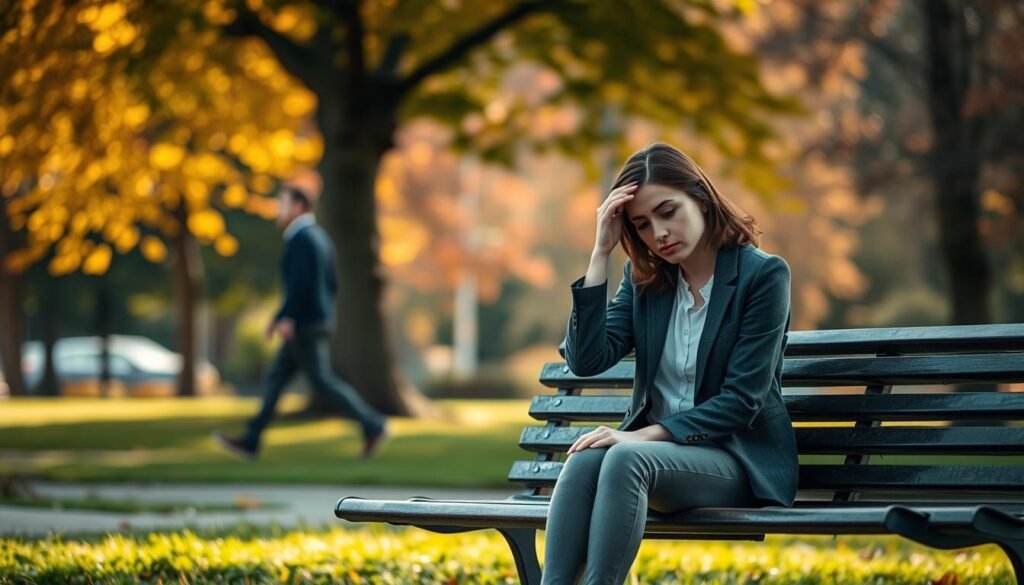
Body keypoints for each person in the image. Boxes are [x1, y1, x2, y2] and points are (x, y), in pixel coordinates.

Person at [541, 143, 798, 584]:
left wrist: (640, 436)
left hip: (736, 458)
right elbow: (586, 360)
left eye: (668, 211)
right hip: (660, 460)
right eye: (641, 225)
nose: (659, 232)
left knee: (624, 457)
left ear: (700, 197)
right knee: (585, 459)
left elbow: (742, 401)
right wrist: (601, 253)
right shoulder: (646, 282)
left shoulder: (763, 276)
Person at [214, 185, 389, 460]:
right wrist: (283, 316)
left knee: (321, 380)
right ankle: (251, 439)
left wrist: (289, 317)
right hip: (313, 321)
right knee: (277, 380)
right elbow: (329, 284)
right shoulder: (320, 238)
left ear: (298, 206)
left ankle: (373, 424)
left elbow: (299, 284)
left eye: (282, 203)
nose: (277, 209)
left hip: (303, 326)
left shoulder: (300, 239)